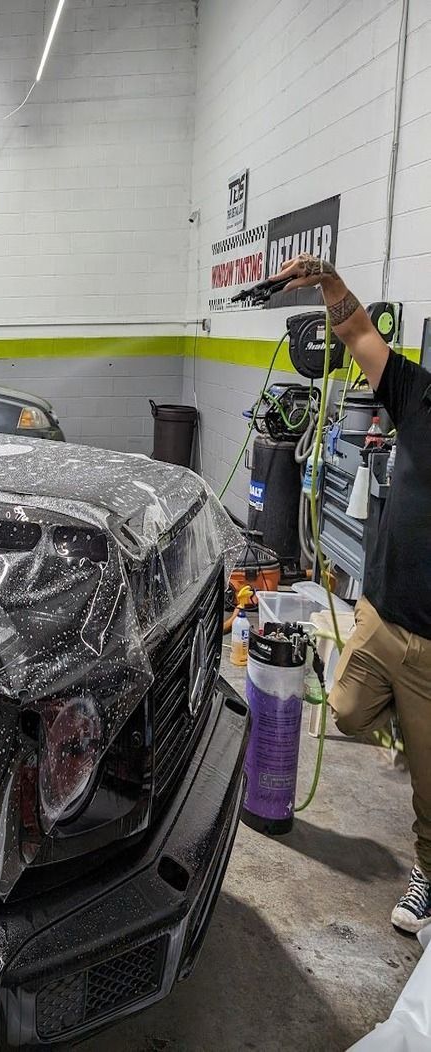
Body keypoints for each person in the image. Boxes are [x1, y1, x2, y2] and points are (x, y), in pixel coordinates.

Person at [268, 253, 431, 933]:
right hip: (381, 613)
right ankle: (411, 737)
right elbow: (360, 333)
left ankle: (427, 871)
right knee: (346, 712)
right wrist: (329, 282)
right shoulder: (418, 395)